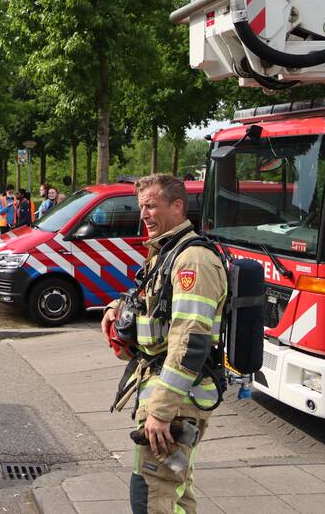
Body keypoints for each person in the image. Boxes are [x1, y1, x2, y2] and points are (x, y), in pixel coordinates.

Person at [100, 174, 227, 514]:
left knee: (151, 498)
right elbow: (150, 300)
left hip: (176, 404)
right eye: (141, 206)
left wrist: (160, 410)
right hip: (170, 399)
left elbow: (191, 343)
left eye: (152, 206)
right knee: (174, 496)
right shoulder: (168, 252)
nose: (144, 214)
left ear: (178, 206)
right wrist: (116, 308)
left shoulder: (192, 261)